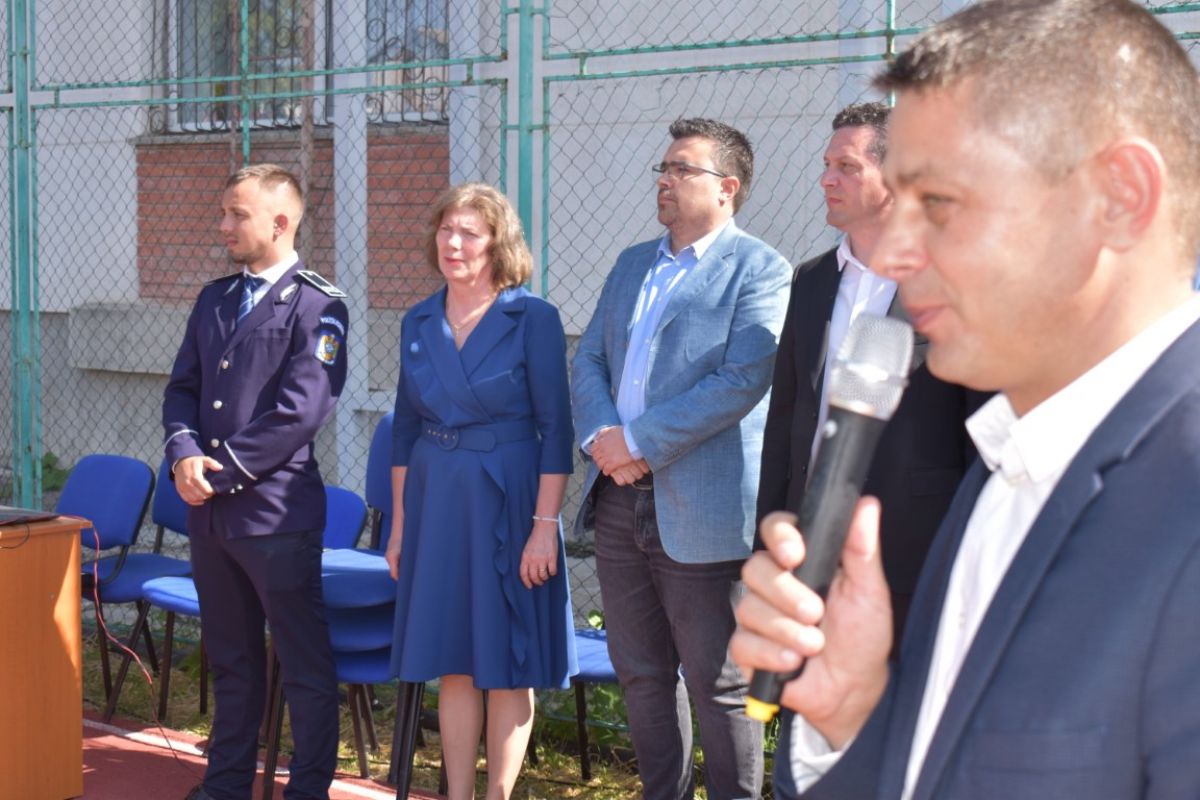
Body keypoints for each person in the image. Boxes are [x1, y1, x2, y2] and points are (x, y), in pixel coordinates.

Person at [730, 0, 1200, 797]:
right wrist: (857, 721)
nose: (897, 254)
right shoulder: (1005, 466)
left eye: (939, 203)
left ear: (1120, 196)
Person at [572, 118, 792, 799]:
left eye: (681, 169)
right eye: (662, 169)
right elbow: (589, 358)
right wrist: (604, 438)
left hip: (702, 507)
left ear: (727, 187)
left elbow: (741, 380)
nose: (664, 180)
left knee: (718, 683)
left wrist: (637, 441)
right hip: (618, 498)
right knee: (641, 674)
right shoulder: (633, 263)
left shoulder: (761, 269)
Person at [757, 101, 980, 650]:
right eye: (826, 165)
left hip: (911, 549)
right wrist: (771, 536)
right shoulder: (811, 280)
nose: (826, 179)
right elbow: (786, 416)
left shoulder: (954, 278)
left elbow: (977, 425)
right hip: (809, 545)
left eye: (847, 167)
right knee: (805, 694)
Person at [385, 183, 577, 800]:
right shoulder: (418, 320)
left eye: (469, 232)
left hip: (510, 501)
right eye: (446, 229)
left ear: (498, 243)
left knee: (509, 660)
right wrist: (399, 528)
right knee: (455, 660)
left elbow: (557, 431)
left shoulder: (534, 318)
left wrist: (543, 528)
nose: (454, 242)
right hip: (437, 502)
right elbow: (404, 430)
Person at [163, 163, 348, 800]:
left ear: (280, 222)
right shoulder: (214, 298)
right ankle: (225, 786)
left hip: (275, 516)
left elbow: (301, 411)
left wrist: (221, 473)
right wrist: (184, 453)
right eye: (223, 213)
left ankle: (307, 791)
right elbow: (183, 388)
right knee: (232, 660)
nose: (224, 226)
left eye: (236, 215)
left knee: (302, 665)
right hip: (212, 517)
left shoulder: (319, 304)